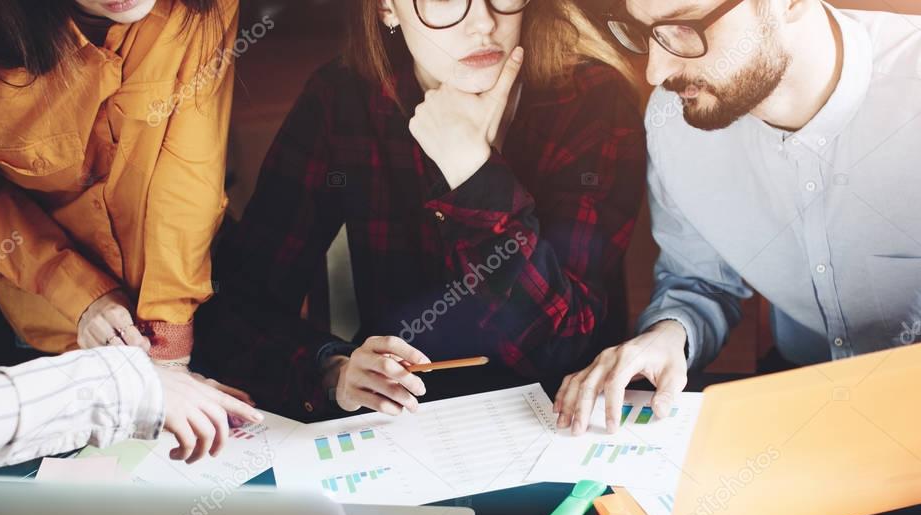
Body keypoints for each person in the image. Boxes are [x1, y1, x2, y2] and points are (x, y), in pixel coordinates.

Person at [195, 0, 647, 418]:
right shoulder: (343, 99)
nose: (485, 22)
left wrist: (473, 174)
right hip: (405, 423)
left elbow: (563, 348)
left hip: (562, 420)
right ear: (387, 8)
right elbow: (237, 307)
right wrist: (332, 368)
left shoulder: (592, 99)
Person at [0, 0, 261, 475]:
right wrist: (80, 295)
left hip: (187, 301)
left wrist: (168, 350)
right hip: (50, 327)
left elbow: (188, 175)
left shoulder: (201, 9)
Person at [555, 0, 921, 434]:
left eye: (686, 27)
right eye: (644, 32)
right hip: (798, 396)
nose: (655, 72)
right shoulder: (675, 122)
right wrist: (669, 335)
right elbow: (699, 280)